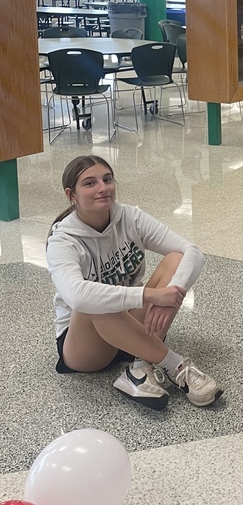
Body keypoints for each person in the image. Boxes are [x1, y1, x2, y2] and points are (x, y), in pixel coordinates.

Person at [47, 155, 222, 411]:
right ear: (71, 194)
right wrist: (150, 296)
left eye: (107, 179)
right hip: (86, 346)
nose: (102, 188)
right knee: (93, 300)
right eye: (90, 183)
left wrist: (171, 295)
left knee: (176, 259)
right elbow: (78, 297)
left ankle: (139, 368)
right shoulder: (62, 240)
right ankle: (176, 366)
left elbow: (192, 251)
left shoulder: (129, 217)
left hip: (128, 323)